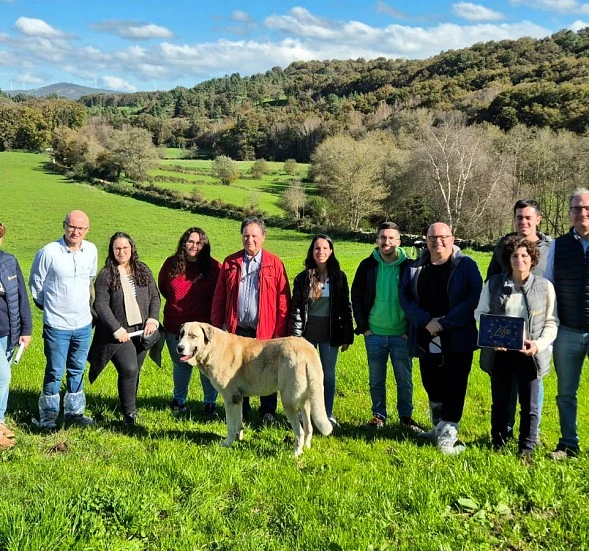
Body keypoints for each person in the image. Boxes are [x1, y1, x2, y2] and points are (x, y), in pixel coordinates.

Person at [400, 222, 482, 454]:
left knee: (455, 384)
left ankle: (449, 431)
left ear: (452, 239)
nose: (438, 241)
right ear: (426, 241)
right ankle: (438, 426)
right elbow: (405, 299)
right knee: (431, 382)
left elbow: (472, 298)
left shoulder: (466, 266)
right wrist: (426, 321)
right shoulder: (415, 267)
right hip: (425, 335)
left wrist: (443, 323)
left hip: (457, 337)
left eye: (443, 237)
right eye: (432, 237)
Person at [476, 237, 558, 459]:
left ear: (532, 260)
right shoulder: (493, 284)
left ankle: (526, 449)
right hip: (500, 353)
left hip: (529, 354)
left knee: (529, 405)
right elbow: (480, 312)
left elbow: (552, 322)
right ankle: (498, 443)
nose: (519, 260)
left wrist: (538, 345)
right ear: (508, 259)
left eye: (524, 256)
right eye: (514, 255)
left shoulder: (544, 287)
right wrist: (492, 337)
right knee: (500, 401)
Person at [211, 217, 291, 424]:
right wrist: (217, 327)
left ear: (263, 237)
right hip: (236, 330)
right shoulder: (230, 262)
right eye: (246, 235)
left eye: (254, 235)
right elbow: (219, 297)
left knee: (268, 369)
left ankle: (268, 412)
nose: (250, 240)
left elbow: (283, 300)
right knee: (238, 371)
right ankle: (242, 412)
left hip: (265, 330)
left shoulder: (274, 263)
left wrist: (280, 331)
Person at [486, 199, 553, 439]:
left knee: (533, 382)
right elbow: (492, 283)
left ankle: (530, 434)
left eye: (527, 217)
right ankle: (505, 431)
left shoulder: (551, 248)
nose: (523, 221)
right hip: (506, 330)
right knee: (504, 386)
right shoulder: (503, 246)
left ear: (538, 219)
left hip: (537, 328)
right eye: (518, 217)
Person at [29, 210, 97, 429]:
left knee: (77, 368)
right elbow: (36, 285)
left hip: (83, 324)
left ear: (87, 230)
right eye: (71, 226)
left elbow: (90, 280)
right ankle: (48, 416)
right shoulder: (48, 252)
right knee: (55, 371)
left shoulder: (91, 251)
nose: (75, 231)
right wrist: (50, 306)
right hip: (57, 325)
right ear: (64, 225)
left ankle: (74, 413)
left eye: (81, 228)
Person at [351, 222, 419, 431]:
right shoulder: (367, 266)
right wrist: (364, 328)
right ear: (377, 240)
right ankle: (378, 415)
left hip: (401, 335)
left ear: (399, 241)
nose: (386, 242)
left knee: (404, 380)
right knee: (376, 379)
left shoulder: (410, 266)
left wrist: (409, 331)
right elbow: (357, 296)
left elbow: (417, 298)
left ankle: (406, 417)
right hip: (375, 333)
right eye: (382, 238)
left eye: (391, 238)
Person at [87, 232, 160, 427]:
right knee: (128, 369)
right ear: (112, 250)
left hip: (143, 330)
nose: (121, 252)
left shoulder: (142, 270)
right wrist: (116, 329)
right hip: (119, 333)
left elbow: (154, 296)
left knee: (135, 371)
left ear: (131, 249)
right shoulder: (105, 275)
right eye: (117, 248)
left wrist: (153, 319)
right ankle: (129, 415)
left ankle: (131, 406)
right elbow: (101, 306)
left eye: (125, 248)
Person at [289, 235, 354, 428]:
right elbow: (297, 309)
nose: (321, 252)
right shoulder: (303, 277)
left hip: (331, 333)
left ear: (331, 251)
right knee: (305, 375)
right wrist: (295, 336)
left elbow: (345, 307)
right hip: (307, 335)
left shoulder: (339, 277)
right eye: (317, 248)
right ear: (312, 251)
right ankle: (305, 414)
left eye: (325, 248)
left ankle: (327, 413)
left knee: (328, 374)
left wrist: (347, 335)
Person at [544, 187, 589, 459]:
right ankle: (568, 443)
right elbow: (548, 288)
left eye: (586, 208)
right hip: (568, 331)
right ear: (570, 214)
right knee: (565, 393)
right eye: (576, 209)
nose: (582, 213)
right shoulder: (557, 246)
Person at [158, 227, 221, 420]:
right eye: (190, 242)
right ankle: (179, 402)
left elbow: (220, 294)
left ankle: (210, 404)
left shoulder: (214, 268)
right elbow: (163, 288)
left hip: (204, 331)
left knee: (208, 368)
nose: (194, 246)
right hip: (176, 326)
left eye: (198, 242)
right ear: (183, 243)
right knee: (181, 366)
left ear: (205, 245)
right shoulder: (171, 264)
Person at [0, 223, 32, 448]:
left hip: (8, 331)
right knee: (3, 378)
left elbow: (22, 296)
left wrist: (26, 330)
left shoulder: (9, 262)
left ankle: (0, 421)